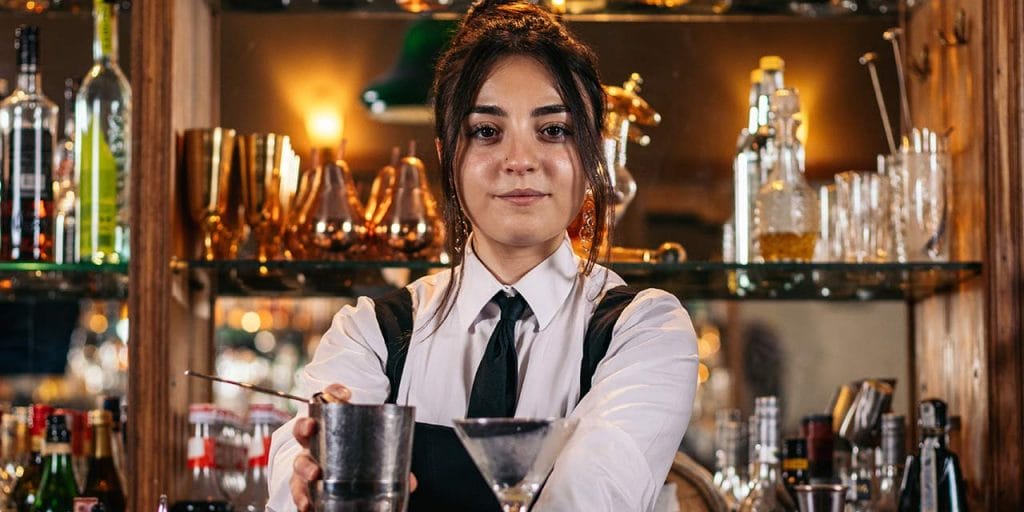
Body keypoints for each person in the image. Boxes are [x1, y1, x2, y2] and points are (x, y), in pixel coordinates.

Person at [267, 1, 699, 510]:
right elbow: (287, 473)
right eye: (487, 132)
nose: (519, 161)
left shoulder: (645, 330)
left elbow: (586, 500)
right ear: (447, 153)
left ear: (590, 156)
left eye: (553, 130)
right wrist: (310, 480)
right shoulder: (369, 334)